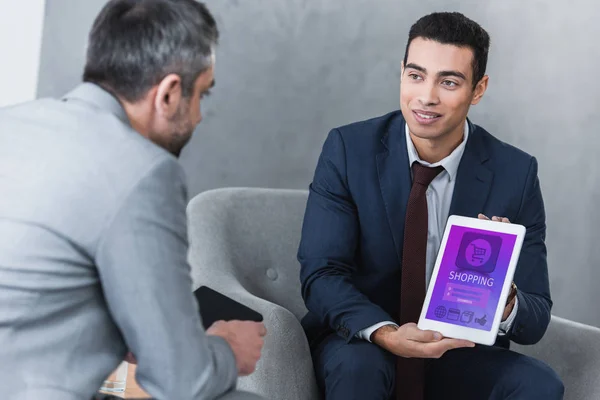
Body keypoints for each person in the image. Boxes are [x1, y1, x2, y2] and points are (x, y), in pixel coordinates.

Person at [0, 1, 266, 399]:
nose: (198, 118)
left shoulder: (12, 123)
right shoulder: (144, 171)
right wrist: (229, 348)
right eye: (201, 96)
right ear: (169, 94)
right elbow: (181, 382)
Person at [298, 11, 564, 400]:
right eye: (416, 75)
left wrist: (505, 299)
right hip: (364, 340)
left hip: (455, 349)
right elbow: (321, 275)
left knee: (540, 385)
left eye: (449, 81)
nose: (426, 96)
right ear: (401, 72)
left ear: (478, 89)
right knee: (360, 369)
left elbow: (535, 317)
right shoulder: (347, 150)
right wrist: (387, 334)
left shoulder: (515, 173)